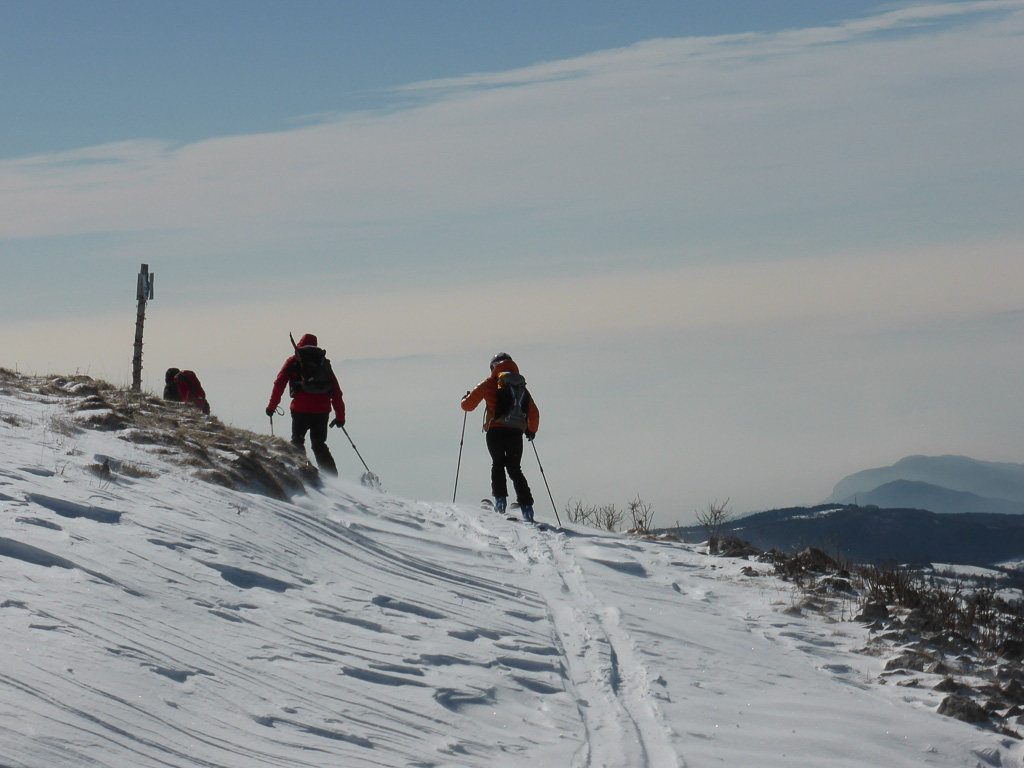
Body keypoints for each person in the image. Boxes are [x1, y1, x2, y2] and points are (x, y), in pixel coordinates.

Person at [461, 352, 540, 521]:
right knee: (515, 469)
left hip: (495, 432)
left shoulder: (490, 383)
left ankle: (500, 504)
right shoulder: (521, 386)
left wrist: (464, 399)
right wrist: (531, 430)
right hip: (515, 433)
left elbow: (468, 405)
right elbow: (534, 413)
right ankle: (527, 509)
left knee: (497, 464)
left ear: (493, 367)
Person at [266, 333, 345, 476]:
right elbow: (336, 391)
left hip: (300, 408)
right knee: (319, 444)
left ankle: (303, 473)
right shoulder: (323, 363)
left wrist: (272, 406)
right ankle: (332, 477)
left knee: (297, 441)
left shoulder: (294, 361)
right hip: (322, 410)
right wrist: (340, 417)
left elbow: (279, 383)